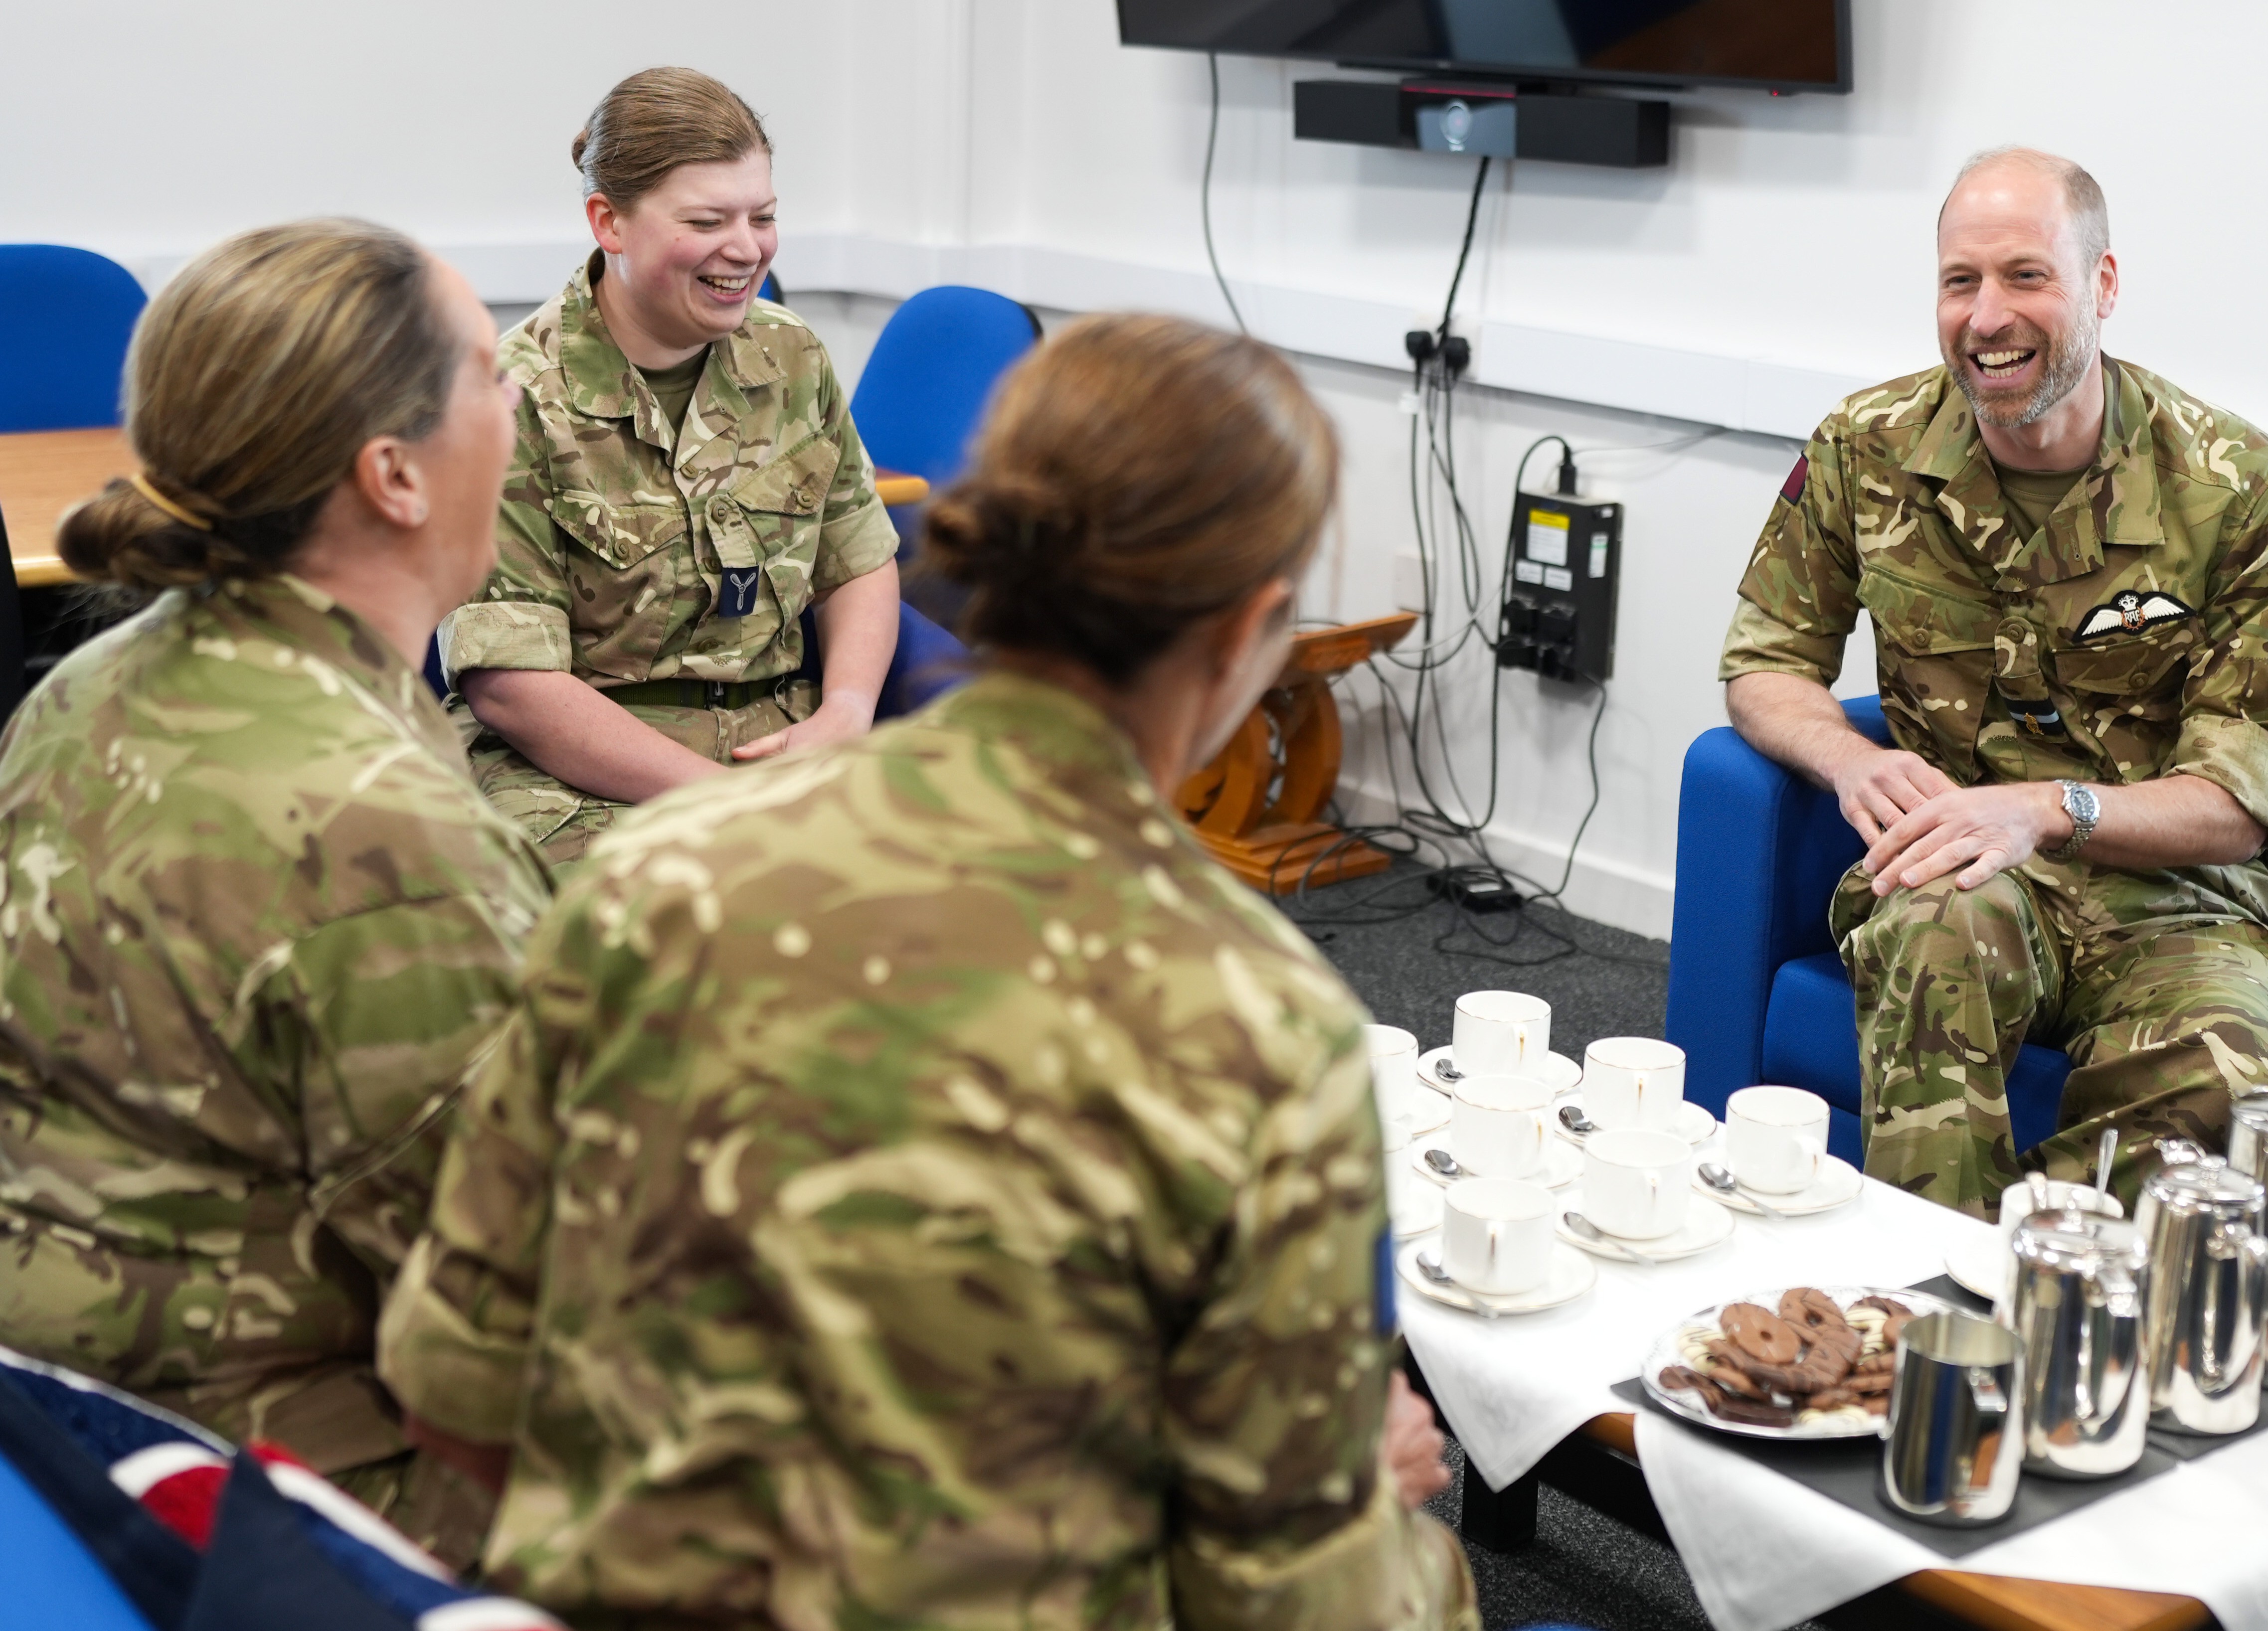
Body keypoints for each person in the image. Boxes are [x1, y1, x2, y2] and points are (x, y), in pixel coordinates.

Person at [378, 313, 1478, 1629]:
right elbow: (1293, 1606)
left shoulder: (652, 879)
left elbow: (457, 1393)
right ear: (1251, 630)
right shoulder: (1263, 1030)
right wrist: (1377, 1515)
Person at [0, 220, 549, 1566]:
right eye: (492, 374)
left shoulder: (85, 688)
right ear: (394, 475)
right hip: (274, 1504)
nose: (522, 409)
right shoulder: (382, 838)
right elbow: (535, 1324)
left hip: (62, 1450)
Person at [1720, 146, 2268, 1216]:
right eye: (1961, 281)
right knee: (1928, 936)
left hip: (2176, 904)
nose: (1987, 316)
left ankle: (2034, 1282)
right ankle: (1918, 1286)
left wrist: (2044, 809)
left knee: (2222, 1063)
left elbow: (2236, 805)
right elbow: (1766, 661)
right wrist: (1850, 761)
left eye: (2026, 276)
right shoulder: (1866, 447)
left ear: (2102, 283)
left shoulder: (2239, 488)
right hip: (1959, 868)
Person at [445, 67, 902, 865]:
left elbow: (858, 560)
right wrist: (728, 801)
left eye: (763, 216)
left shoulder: (791, 355)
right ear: (609, 222)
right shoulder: (512, 397)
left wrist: (847, 711)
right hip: (581, 774)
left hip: (781, 739)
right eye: (707, 221)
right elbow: (513, 685)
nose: (747, 248)